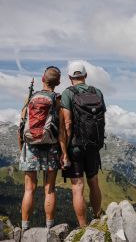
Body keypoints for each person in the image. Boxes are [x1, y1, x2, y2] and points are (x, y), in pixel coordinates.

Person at [18, 66, 67, 231]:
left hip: (30, 145)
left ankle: (24, 228)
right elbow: (61, 130)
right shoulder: (57, 99)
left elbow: (22, 124)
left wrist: (22, 148)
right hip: (51, 147)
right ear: (58, 83)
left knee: (29, 189)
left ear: (42, 79)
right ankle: (49, 228)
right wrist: (64, 153)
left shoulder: (31, 98)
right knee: (50, 189)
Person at [60, 60, 106, 227]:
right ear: (85, 75)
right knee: (94, 181)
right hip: (93, 145)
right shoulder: (97, 92)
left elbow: (67, 124)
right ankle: (97, 218)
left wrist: (64, 151)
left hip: (75, 146)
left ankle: (83, 227)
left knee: (78, 186)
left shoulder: (68, 93)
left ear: (69, 77)